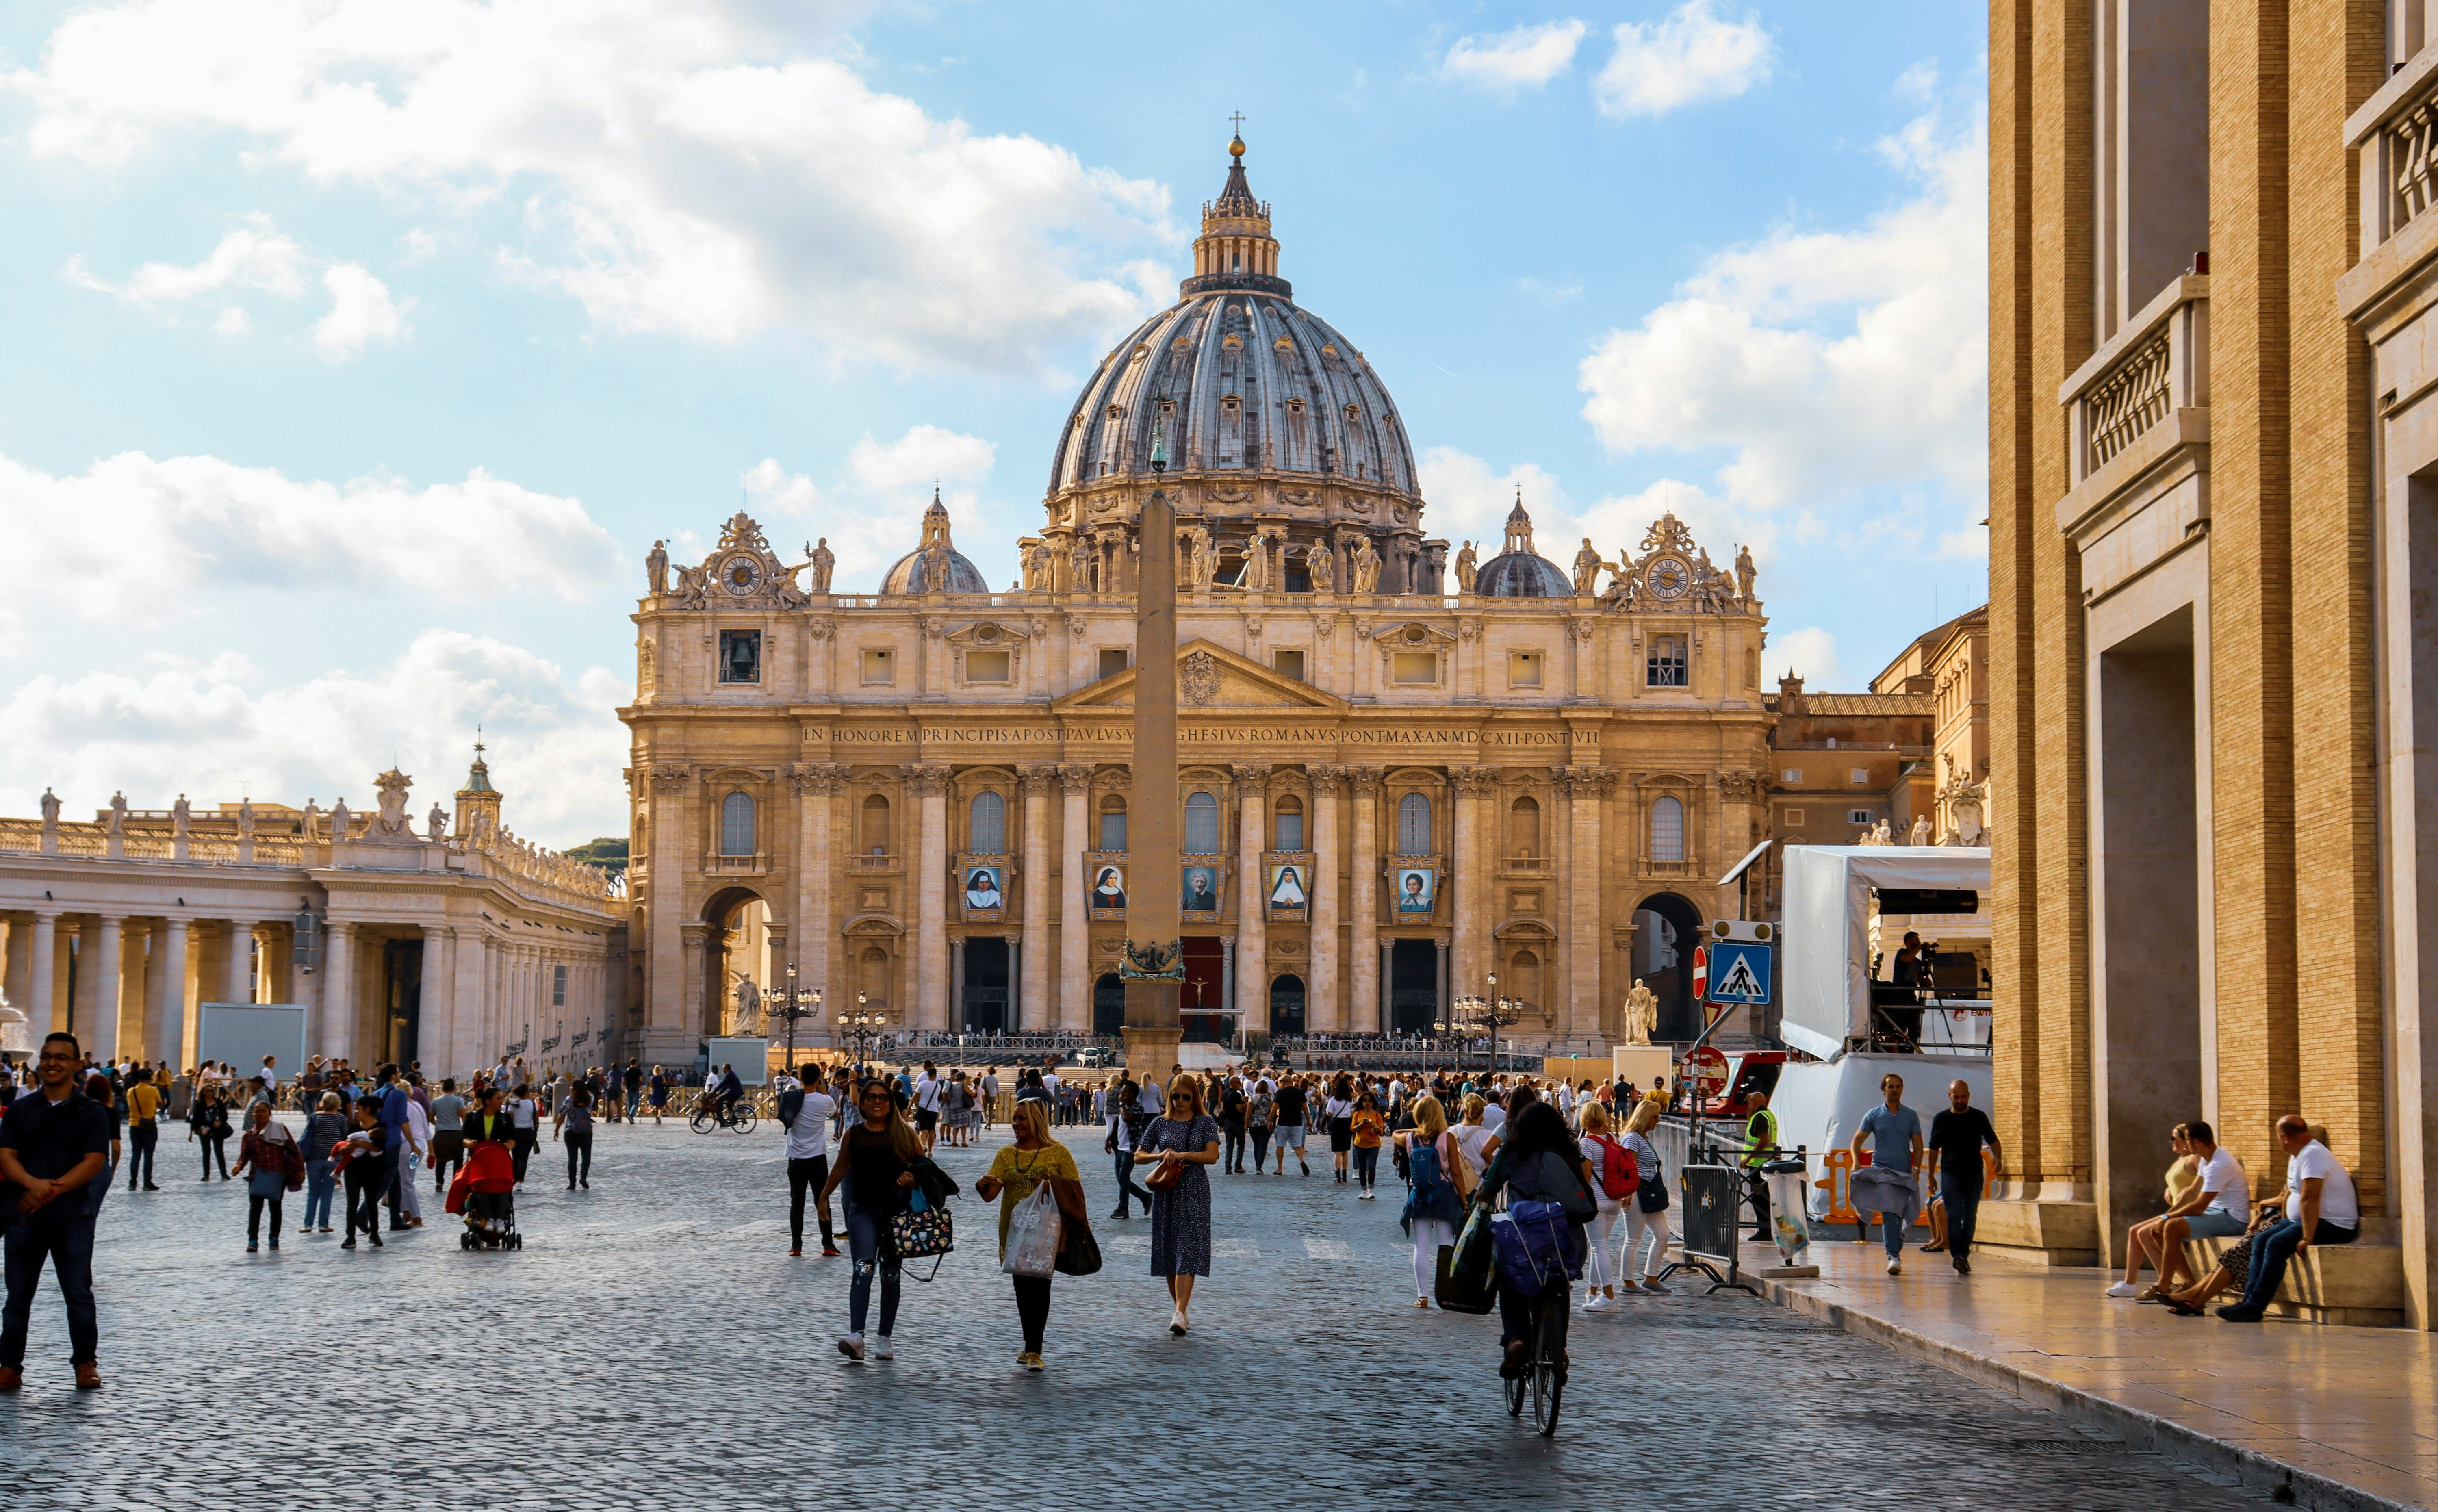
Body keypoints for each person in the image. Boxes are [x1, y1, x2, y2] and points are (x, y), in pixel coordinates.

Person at [0, 1033, 113, 1391]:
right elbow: (5, 1155)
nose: (52, 1062)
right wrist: (32, 1185)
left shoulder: (92, 1112)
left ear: (77, 1064)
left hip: (72, 1217)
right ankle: (9, 1365)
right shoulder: (21, 1109)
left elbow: (94, 1162)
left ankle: (85, 1363)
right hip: (24, 1215)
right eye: (47, 1056)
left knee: (78, 1292)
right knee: (17, 1296)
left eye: (62, 1057)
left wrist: (46, 1190)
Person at [1470, 1101, 1592, 1379]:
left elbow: (1488, 1190)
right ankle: (1558, 1346)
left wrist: (1475, 1206)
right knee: (1559, 1284)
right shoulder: (1570, 1153)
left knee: (1509, 1282)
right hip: (1565, 1239)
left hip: (1523, 1238)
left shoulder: (1514, 1153)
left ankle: (1517, 1340)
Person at [975, 1098, 1087, 1371]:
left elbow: (1076, 1191)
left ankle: (1035, 1348)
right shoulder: (1005, 1154)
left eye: (1022, 1118)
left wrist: (1050, 1185)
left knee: (1040, 1286)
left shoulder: (1059, 1153)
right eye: (1015, 1119)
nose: (1016, 1124)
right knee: (1022, 1289)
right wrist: (981, 1186)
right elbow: (991, 1195)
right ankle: (1030, 1344)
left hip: (1046, 1231)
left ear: (1036, 1120)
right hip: (1014, 1231)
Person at [2217, 1115, 2362, 1322]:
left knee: (2276, 1244)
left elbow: (2310, 1198)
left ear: (2285, 1138)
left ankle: (2255, 1307)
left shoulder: (2313, 1155)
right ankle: (2248, 1302)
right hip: (2303, 1221)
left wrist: (2307, 1237)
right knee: (2260, 1240)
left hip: (2335, 1224)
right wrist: (2284, 1221)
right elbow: (2291, 1193)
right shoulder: (2297, 1155)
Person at [821, 1078, 926, 1360]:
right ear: (863, 1103)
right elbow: (841, 1166)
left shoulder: (905, 1134)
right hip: (863, 1212)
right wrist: (823, 1198)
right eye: (872, 1098)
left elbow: (924, 1167)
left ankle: (884, 1337)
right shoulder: (853, 1135)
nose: (878, 1102)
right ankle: (857, 1335)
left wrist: (913, 1177)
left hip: (896, 1214)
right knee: (863, 1268)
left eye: (883, 1097)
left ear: (891, 1104)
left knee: (890, 1276)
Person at [2110, 1121, 2246, 1300]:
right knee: (2158, 1230)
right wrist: (2166, 1218)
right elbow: (2192, 1191)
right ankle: (2189, 1283)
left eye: (2187, 1141)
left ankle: (2163, 1286)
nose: (2186, 1145)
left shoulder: (2220, 1164)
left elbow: (2200, 1206)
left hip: (2232, 1218)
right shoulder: (2208, 1159)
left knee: (2171, 1226)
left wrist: (2167, 1216)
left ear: (2196, 1142)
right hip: (2216, 1212)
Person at [1134, 1073, 1219, 1335]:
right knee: (1170, 1251)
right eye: (1175, 1097)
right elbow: (1139, 1155)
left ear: (1195, 1098)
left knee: (1189, 1250)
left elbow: (1213, 1156)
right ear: (1168, 1097)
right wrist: (1161, 1155)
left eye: (1186, 1097)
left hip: (1194, 1190)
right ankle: (1180, 1310)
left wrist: (1182, 1155)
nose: (1181, 1101)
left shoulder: (1205, 1122)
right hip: (1167, 1191)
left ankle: (1180, 1311)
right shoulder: (1159, 1123)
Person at [1396, 1093, 1470, 1307]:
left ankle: (1423, 1296)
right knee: (1446, 1245)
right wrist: (1464, 1200)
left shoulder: (1410, 1139)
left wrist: (1415, 1131)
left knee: (1422, 1246)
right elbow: (1456, 1173)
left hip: (1420, 1194)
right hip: (1445, 1193)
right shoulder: (1448, 1138)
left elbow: (1394, 1134)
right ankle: (1446, 1292)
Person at [1923, 1079, 2002, 1274]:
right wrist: (1930, 1175)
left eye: (1963, 1097)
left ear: (1969, 1096)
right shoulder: (1941, 1119)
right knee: (1953, 1215)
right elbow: (1934, 1148)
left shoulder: (1978, 1117)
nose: (1960, 1101)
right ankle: (1957, 1255)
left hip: (1974, 1174)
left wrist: (1998, 1158)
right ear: (1950, 1097)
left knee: (1970, 1217)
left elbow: (1993, 1140)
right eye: (1956, 1097)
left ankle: (1963, 1255)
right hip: (1951, 1174)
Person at [1848, 1073, 1923, 1274]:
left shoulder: (1911, 1115)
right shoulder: (1873, 1115)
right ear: (1884, 1090)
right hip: (1882, 1172)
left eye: (1898, 1086)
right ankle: (1893, 1257)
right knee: (1890, 1213)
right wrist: (1856, 1162)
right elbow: (1857, 1141)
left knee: (1898, 1216)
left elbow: (1918, 1144)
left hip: (1904, 1175)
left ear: (1902, 1090)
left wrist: (1917, 1169)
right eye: (1891, 1087)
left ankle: (1895, 1250)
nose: (1895, 1090)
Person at [1577, 1101, 1633, 1310]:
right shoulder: (1613, 1139)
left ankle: (1608, 1297)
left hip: (1597, 1201)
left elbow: (1586, 1175)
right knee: (1599, 1247)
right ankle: (1592, 1292)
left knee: (1599, 1248)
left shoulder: (1587, 1143)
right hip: (1615, 1199)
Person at [779, 1063, 839, 1258]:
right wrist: (822, 1091)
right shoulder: (825, 1101)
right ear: (818, 1078)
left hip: (795, 1158)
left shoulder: (791, 1099)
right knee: (822, 1201)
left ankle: (796, 1246)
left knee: (797, 1203)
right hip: (817, 1158)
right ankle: (828, 1244)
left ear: (800, 1078)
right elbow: (835, 1114)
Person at [230, 1100, 301, 1252]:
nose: (260, 1114)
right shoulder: (249, 1137)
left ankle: (274, 1239)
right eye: (257, 1111)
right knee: (255, 1209)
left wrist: (301, 1171)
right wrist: (239, 1166)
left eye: (263, 1111)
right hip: (258, 1176)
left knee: (275, 1208)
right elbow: (244, 1156)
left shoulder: (280, 1130)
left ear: (269, 1113)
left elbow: (295, 1150)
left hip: (277, 1175)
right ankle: (253, 1241)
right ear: (252, 1114)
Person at [1618, 1100, 1671, 1294]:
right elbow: (1628, 1167)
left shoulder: (1643, 1137)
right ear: (1646, 1117)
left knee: (1663, 1234)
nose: (1658, 1121)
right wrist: (1628, 1193)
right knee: (1634, 1239)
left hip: (1649, 1191)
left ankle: (1651, 1277)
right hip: (1637, 1191)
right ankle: (1628, 1282)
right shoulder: (1632, 1138)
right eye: (1655, 1117)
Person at [334, 1098, 389, 1250]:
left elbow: (378, 1148)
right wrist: (345, 1149)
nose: (355, 1112)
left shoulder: (381, 1128)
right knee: (352, 1203)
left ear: (367, 1109)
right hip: (353, 1170)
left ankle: (374, 1234)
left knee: (372, 1202)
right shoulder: (353, 1127)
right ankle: (350, 1236)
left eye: (358, 1109)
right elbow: (344, 1146)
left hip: (374, 1170)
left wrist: (358, 1144)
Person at [301, 1092, 348, 1233]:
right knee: (327, 1193)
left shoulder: (314, 1117)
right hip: (333, 1160)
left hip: (314, 1159)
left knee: (313, 1192)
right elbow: (345, 1138)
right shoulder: (341, 1119)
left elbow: (306, 1135)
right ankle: (323, 1224)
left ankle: (308, 1224)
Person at [1740, 1087, 1781, 1240]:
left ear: (1755, 1102)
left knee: (1759, 1198)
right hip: (1767, 1163)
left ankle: (1764, 1231)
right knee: (1764, 1198)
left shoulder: (1760, 1117)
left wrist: (1748, 1159)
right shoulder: (1769, 1115)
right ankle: (1767, 1230)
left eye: (1749, 1102)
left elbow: (1763, 1141)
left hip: (1758, 1165)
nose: (1748, 1106)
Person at [124, 1065, 161, 1191]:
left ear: (139, 1080)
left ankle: (132, 1183)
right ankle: (147, 1183)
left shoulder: (131, 1091)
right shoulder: (153, 1090)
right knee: (148, 1155)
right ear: (150, 1080)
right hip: (149, 1125)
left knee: (135, 1155)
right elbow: (160, 1104)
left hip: (134, 1125)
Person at [429, 1079, 466, 1193]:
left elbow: (430, 1118)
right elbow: (463, 1116)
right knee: (458, 1159)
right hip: (456, 1133)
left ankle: (439, 1183)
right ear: (454, 1088)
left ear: (442, 1088)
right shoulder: (458, 1101)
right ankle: (456, 1181)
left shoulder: (435, 1102)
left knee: (440, 1160)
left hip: (441, 1133)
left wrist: (438, 1123)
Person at [554, 1086, 595, 1190]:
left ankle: (572, 1183)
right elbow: (591, 1093)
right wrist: (584, 1089)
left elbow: (561, 1116)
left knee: (572, 1158)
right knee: (586, 1156)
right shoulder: (590, 1098)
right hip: (586, 1131)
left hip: (571, 1131)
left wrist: (556, 1130)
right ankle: (583, 1178)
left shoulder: (569, 1100)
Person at [189, 1082, 232, 1180]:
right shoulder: (200, 1105)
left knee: (219, 1152)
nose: (210, 1093)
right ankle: (206, 1175)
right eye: (208, 1091)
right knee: (206, 1152)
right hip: (205, 1131)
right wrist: (191, 1133)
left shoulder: (218, 1102)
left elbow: (225, 1115)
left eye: (212, 1091)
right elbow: (196, 1119)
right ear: (203, 1092)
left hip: (218, 1130)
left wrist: (220, 1122)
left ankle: (224, 1174)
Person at [1349, 1091, 1388, 1199]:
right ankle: (1363, 1190)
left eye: (1370, 1101)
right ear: (1362, 1102)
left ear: (1373, 1103)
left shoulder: (1377, 1115)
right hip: (1360, 1143)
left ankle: (1370, 1189)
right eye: (1365, 1100)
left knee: (1371, 1166)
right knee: (1362, 1167)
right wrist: (1362, 1125)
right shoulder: (1357, 1114)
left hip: (1373, 1144)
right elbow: (1352, 1129)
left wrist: (1375, 1126)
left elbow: (1381, 1131)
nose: (1367, 1103)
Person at [1272, 1075, 1310, 1176]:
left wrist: (1270, 1120)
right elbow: (1305, 1108)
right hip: (1297, 1122)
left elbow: (1274, 1108)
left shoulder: (1280, 1093)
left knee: (1280, 1145)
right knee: (1298, 1145)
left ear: (1283, 1082)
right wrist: (1309, 1119)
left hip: (1283, 1122)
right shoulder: (1300, 1092)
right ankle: (1302, 1161)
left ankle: (1280, 1169)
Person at [1323, 1075, 1356, 1184]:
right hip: (1347, 1123)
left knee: (1337, 1152)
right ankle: (1345, 1174)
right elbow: (1352, 1113)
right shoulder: (1350, 1100)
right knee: (1345, 1151)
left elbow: (1329, 1113)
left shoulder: (1333, 1100)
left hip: (1337, 1123)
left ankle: (1337, 1175)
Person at [509, 1083, 540, 1185]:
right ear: (527, 1093)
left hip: (515, 1132)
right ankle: (520, 1180)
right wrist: (535, 1133)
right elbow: (536, 1120)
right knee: (524, 1158)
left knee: (516, 1157)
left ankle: (514, 1178)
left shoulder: (513, 1104)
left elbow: (509, 1119)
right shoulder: (533, 1104)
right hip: (528, 1132)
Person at [1217, 1076, 1249, 1174]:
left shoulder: (1226, 1093)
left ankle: (1228, 1167)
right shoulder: (1235, 1095)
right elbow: (1240, 1109)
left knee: (1229, 1146)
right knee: (1241, 1145)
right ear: (1233, 1083)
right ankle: (1238, 1166)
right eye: (1238, 1083)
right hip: (1237, 1123)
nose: (1240, 1085)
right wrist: (1248, 1104)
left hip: (1227, 1122)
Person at [912, 1061, 943, 1154]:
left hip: (923, 1108)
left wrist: (912, 1104)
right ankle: (930, 1151)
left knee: (922, 1130)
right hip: (934, 1109)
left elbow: (916, 1094)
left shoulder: (921, 1079)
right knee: (931, 1131)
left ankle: (923, 1146)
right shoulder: (938, 1083)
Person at [1247, 1079, 1275, 1175]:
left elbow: (1249, 1112)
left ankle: (1257, 1165)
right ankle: (1260, 1166)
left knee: (1256, 1145)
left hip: (1254, 1124)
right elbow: (1273, 1110)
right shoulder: (1270, 1099)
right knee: (1263, 1145)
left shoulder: (1252, 1098)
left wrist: (1246, 1124)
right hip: (1266, 1123)